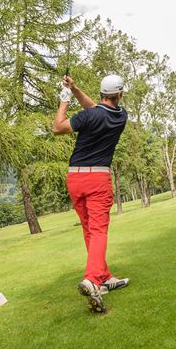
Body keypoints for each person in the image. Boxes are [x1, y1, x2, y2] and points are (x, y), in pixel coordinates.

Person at [53, 73, 129, 314]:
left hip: (74, 177)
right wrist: (73, 90)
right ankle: (93, 280)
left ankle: (104, 276)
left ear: (102, 94)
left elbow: (58, 126)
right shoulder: (121, 116)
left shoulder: (90, 115)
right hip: (97, 178)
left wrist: (64, 99)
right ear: (119, 95)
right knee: (98, 230)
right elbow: (89, 112)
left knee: (89, 230)